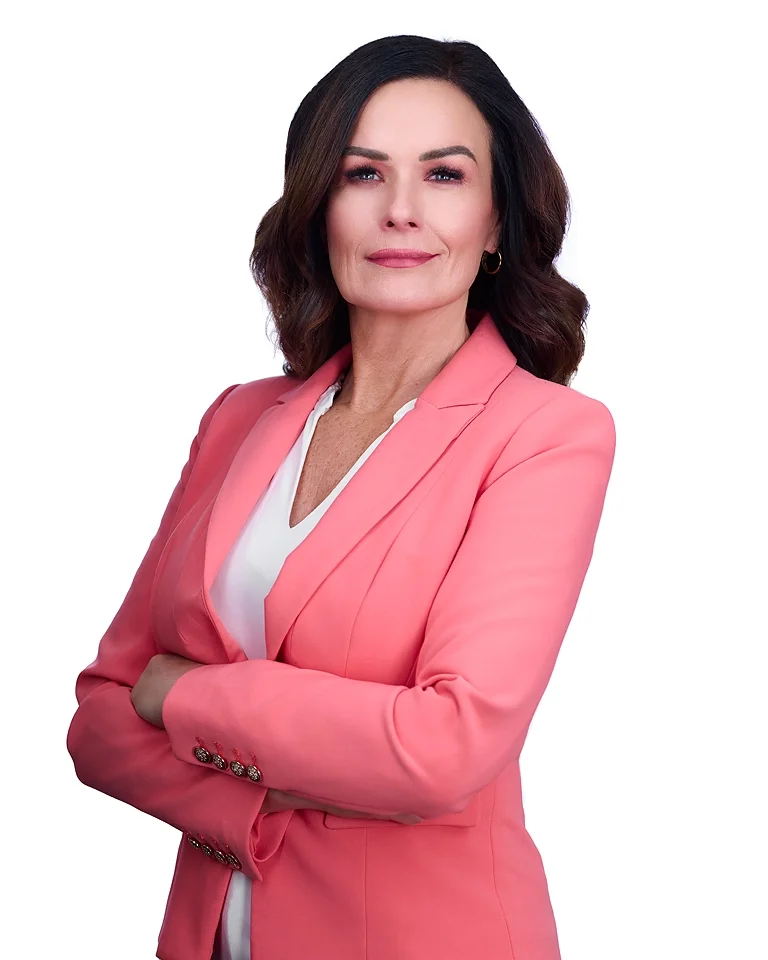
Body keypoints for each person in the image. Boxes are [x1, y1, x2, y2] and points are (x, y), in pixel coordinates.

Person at [67, 34, 616, 960]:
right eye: (363, 175)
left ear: (496, 222)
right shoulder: (240, 419)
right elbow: (99, 718)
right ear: (319, 204)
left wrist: (186, 698)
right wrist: (263, 786)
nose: (401, 210)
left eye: (444, 176)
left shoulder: (545, 434)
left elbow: (443, 750)